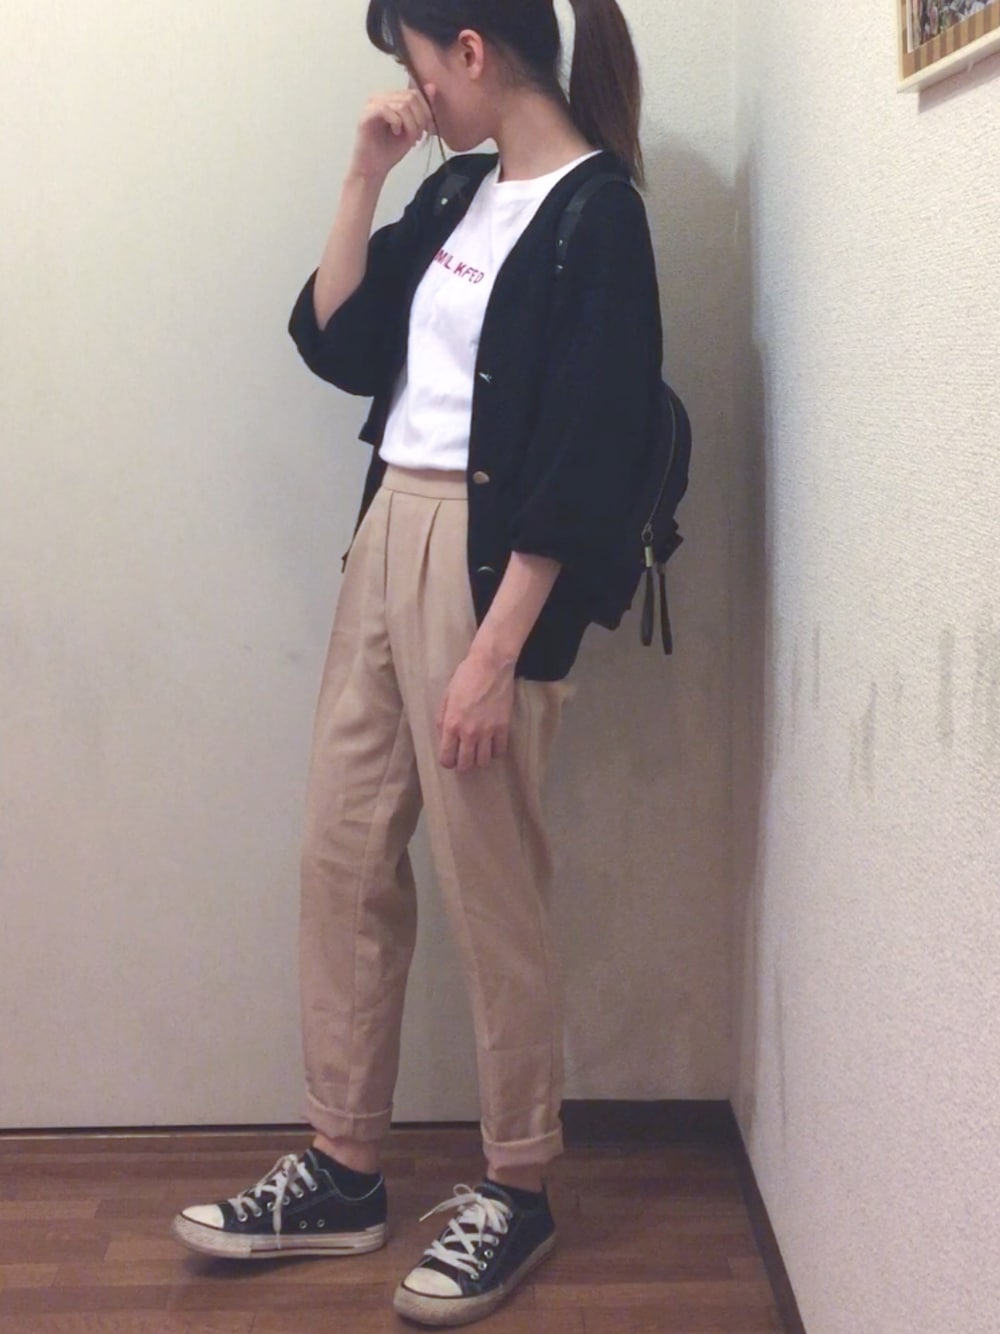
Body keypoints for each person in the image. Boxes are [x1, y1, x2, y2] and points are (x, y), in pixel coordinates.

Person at [171, 0, 663, 1325]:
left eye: (415, 62)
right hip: (388, 527)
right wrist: (362, 176)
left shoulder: (596, 217)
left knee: (489, 881)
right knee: (341, 855)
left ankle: (520, 1183)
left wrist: (496, 654)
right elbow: (337, 341)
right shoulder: (452, 191)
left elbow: (592, 451)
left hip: (494, 566)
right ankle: (344, 1167)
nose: (414, 91)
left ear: (472, 52)